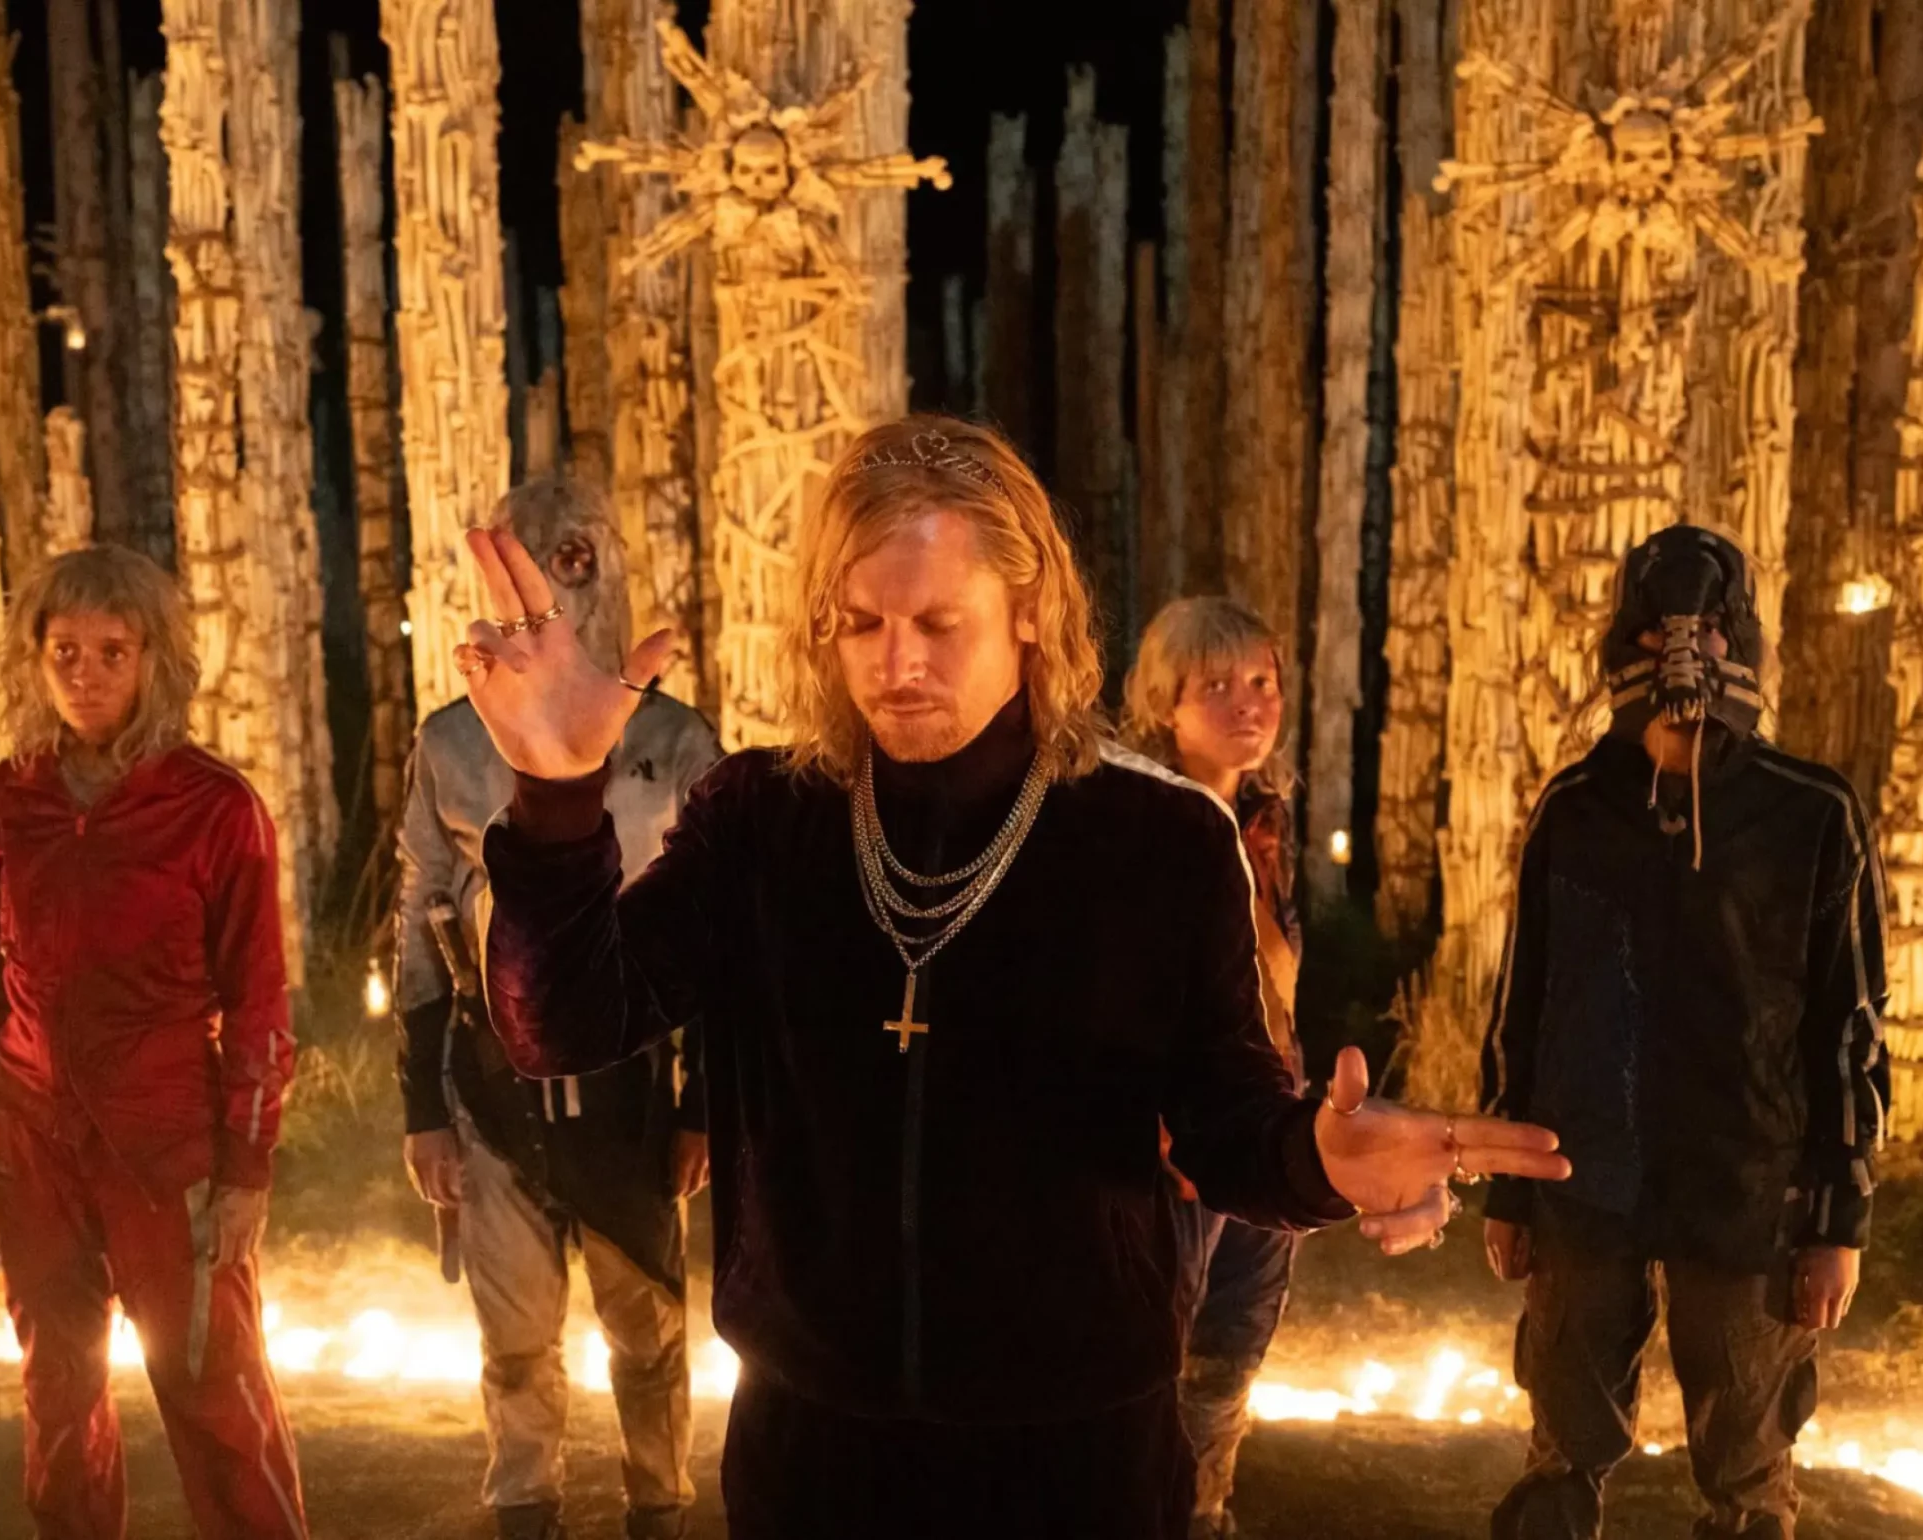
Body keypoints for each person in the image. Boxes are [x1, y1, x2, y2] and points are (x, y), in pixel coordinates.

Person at [455, 413, 1571, 1538]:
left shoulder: (1155, 841)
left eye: (940, 622)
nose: (896, 663)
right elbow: (562, 1025)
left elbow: (1227, 1123)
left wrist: (1319, 1160)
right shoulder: (762, 820)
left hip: (1075, 1458)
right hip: (810, 1451)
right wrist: (556, 798)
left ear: (1031, 609)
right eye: (860, 623)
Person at [1479, 525, 1889, 1540]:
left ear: (1737, 643)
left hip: (1746, 1179)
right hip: (1584, 1173)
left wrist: (1836, 1218)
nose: (1682, 656)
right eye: (1658, 632)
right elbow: (1524, 1000)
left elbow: (1847, 1024)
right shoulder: (1576, 810)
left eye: (1705, 631)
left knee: (1747, 1464)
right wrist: (1509, 1183)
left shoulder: (1810, 815)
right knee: (1563, 1445)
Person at [0, 545, 307, 1540]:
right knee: (59, 1398)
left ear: (154, 660)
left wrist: (246, 1169)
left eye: (112, 651)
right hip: (30, 1148)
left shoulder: (214, 809)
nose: (86, 675)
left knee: (213, 1390)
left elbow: (259, 1001)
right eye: (65, 650)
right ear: (33, 657)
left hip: (167, 1147)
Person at [395, 476, 721, 1540]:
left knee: (648, 1331)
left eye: (576, 556)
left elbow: (720, 931)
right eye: (534, 560)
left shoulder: (675, 742)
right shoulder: (451, 746)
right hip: (493, 1083)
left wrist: (702, 1104)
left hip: (632, 1087)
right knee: (516, 1339)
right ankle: (525, 1508)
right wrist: (423, 1106)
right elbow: (423, 914)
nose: (559, 583)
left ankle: (658, 1507)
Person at [1121, 596, 1306, 1540]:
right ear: (1166, 702)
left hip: (1262, 1123)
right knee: (1158, 1345)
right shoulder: (1136, 828)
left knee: (1234, 1343)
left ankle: (1205, 1507)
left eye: (1262, 682)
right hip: (1174, 1142)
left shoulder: (1262, 827)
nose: (1249, 702)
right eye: (1218, 685)